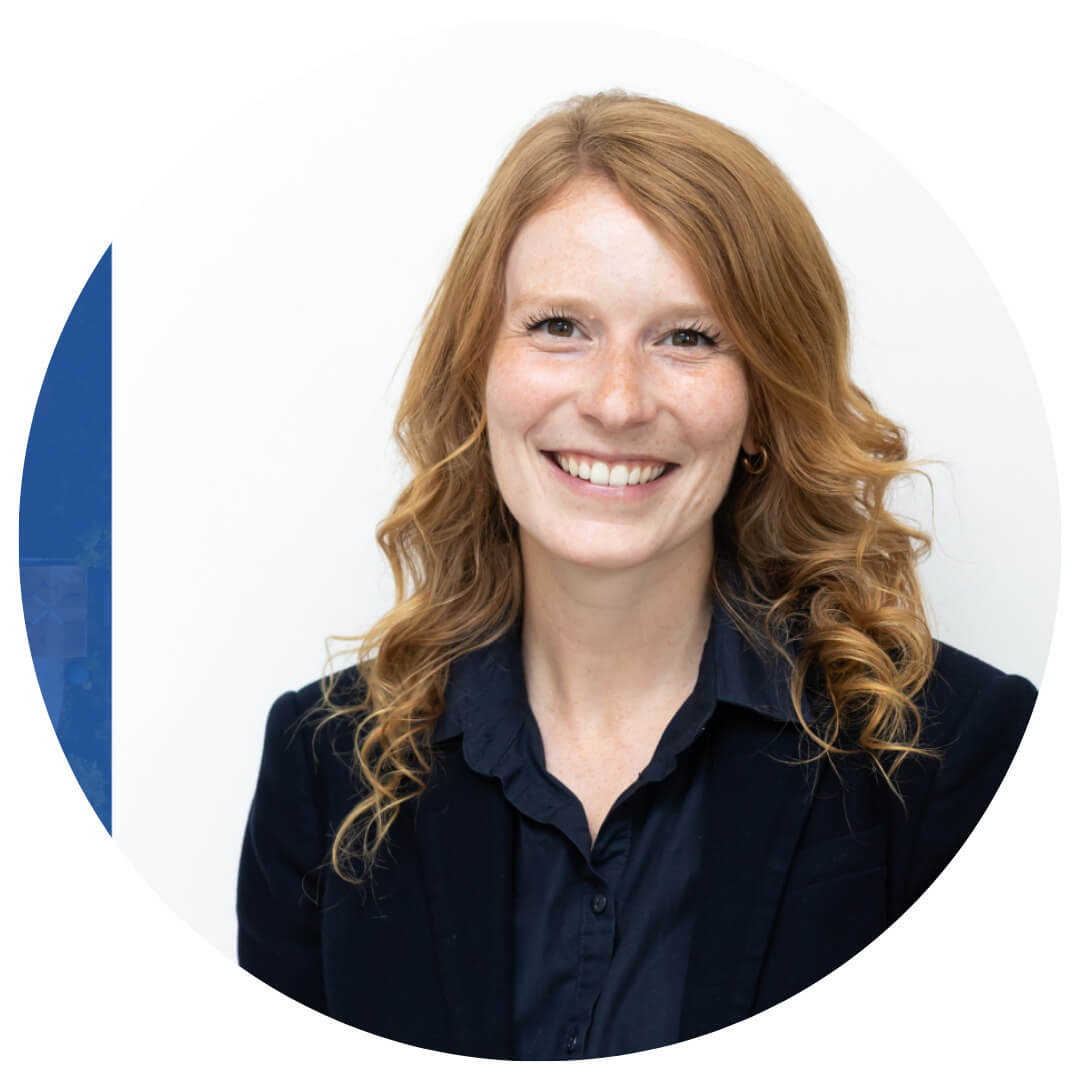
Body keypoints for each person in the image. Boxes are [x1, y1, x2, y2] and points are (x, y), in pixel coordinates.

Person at [236, 90, 1037, 1059]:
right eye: (559, 326)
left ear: (764, 400)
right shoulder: (322, 768)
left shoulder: (956, 758)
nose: (617, 401)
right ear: (476, 376)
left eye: (687, 337)